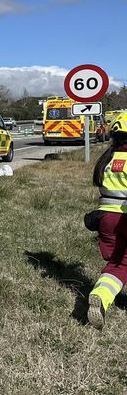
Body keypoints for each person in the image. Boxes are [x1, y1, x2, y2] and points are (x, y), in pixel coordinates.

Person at [87, 112, 127, 329]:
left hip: (106, 220)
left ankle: (101, 295)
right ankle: (102, 297)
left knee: (118, 263)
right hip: (123, 219)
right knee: (123, 264)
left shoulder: (107, 160)